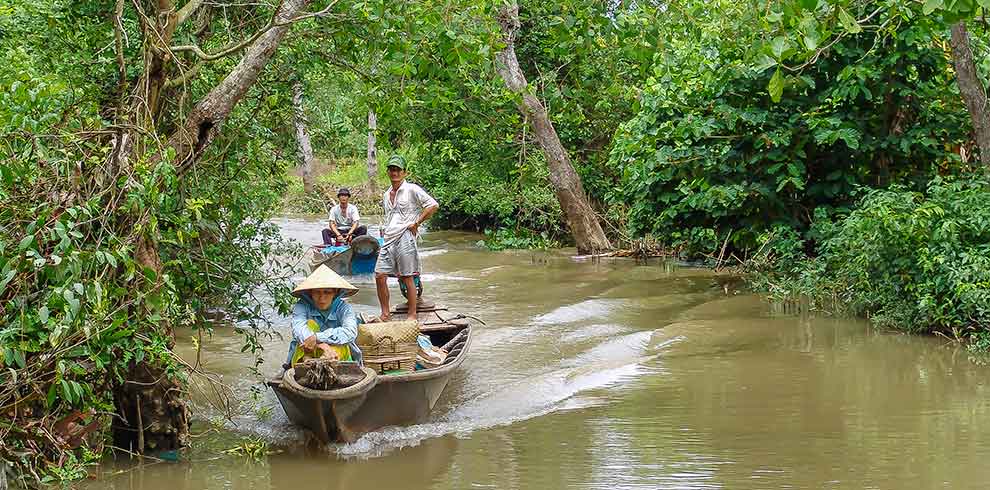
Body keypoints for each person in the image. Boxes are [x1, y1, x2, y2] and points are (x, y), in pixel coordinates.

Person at [374, 154, 439, 322]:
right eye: (391, 169)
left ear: (404, 172)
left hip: (405, 236)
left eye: (398, 170)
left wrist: (416, 223)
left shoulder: (412, 189)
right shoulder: (386, 194)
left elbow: (433, 205)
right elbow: (390, 217)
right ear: (388, 172)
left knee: (407, 275)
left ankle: (412, 314)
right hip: (389, 238)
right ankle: (385, 313)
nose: (394, 173)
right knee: (380, 275)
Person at [284, 264, 363, 367]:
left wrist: (318, 337)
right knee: (310, 324)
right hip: (306, 352)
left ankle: (327, 361)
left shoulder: (344, 308)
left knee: (341, 343)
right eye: (317, 292)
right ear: (311, 293)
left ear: (335, 293)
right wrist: (320, 345)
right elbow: (298, 328)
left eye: (327, 292)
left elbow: (350, 332)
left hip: (338, 356)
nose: (322, 298)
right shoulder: (302, 306)